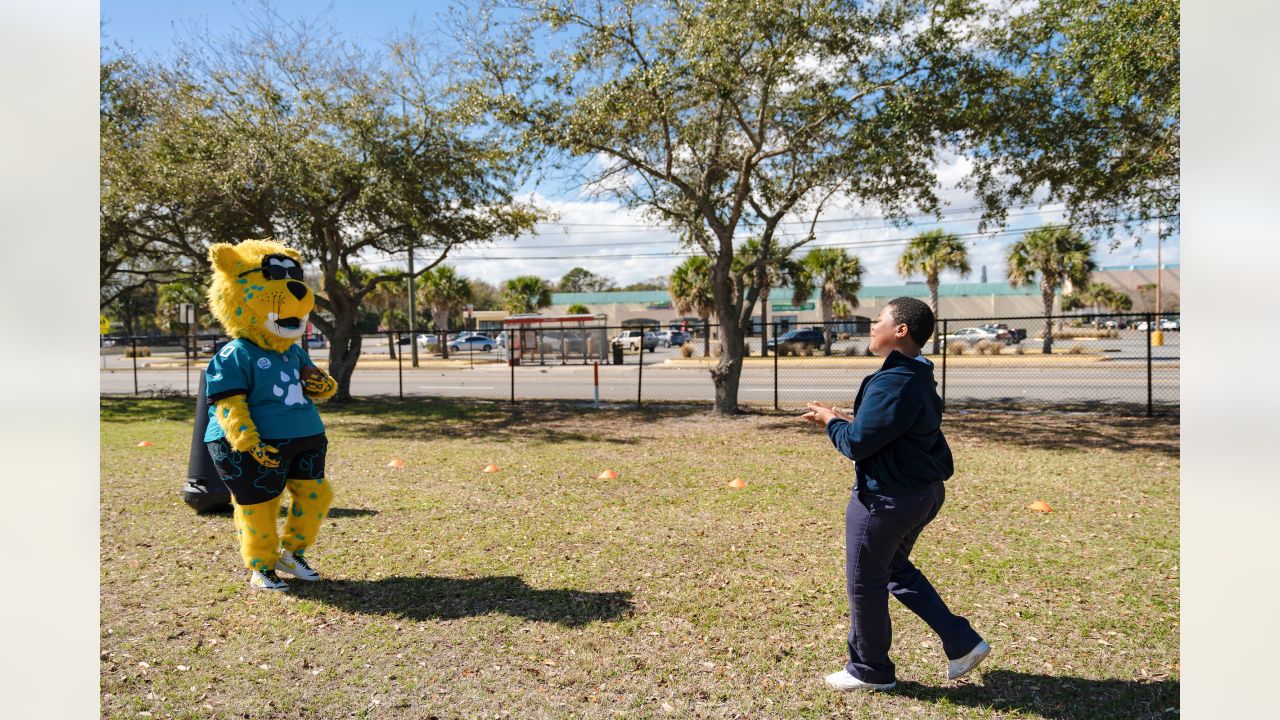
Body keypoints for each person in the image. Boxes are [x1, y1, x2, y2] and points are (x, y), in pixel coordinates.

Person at [801, 297, 990, 691]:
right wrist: (851, 420)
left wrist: (831, 423)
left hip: (886, 500)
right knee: (894, 571)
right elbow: (892, 430)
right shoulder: (917, 374)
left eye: (879, 320)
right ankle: (962, 641)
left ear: (900, 330)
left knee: (864, 582)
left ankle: (869, 670)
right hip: (919, 494)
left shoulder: (895, 380)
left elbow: (856, 445)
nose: (872, 326)